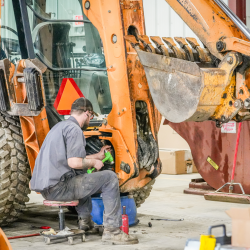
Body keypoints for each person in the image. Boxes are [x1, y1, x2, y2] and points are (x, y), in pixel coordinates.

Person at [30, 97, 138, 245]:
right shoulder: (75, 130)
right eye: (91, 116)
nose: (90, 119)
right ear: (87, 113)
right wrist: (94, 162)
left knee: (83, 177)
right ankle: (112, 231)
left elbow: (73, 159)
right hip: (59, 188)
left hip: (48, 188)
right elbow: (74, 162)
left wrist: (97, 156)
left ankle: (85, 223)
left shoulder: (60, 127)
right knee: (110, 178)